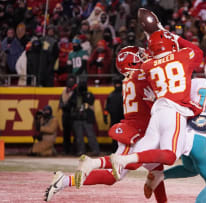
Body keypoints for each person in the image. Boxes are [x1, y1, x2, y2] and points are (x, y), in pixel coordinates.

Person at [44, 46, 166, 203]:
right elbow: (158, 107)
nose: (144, 57)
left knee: (157, 171)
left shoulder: (131, 78)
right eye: (140, 56)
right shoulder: (139, 77)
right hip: (135, 134)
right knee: (113, 176)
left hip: (141, 131)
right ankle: (65, 180)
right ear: (132, 62)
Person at [146, 53, 206, 203]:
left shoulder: (196, 83)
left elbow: (176, 98)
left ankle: (160, 176)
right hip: (202, 139)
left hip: (183, 133)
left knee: (191, 169)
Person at [109, 29, 203, 181]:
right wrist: (173, 36)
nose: (144, 55)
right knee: (170, 156)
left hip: (156, 113)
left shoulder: (147, 66)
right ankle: (120, 160)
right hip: (171, 111)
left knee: (140, 161)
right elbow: (197, 52)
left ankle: (95, 162)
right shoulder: (182, 55)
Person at [69, 81, 100, 156]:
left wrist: (83, 96)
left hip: (87, 118)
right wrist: (77, 95)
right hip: (77, 118)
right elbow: (71, 103)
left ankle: (95, 150)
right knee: (79, 136)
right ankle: (81, 151)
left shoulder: (89, 94)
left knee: (90, 135)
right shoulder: (75, 95)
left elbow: (90, 101)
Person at [104, 76, 125, 152]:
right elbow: (107, 107)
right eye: (116, 84)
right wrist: (105, 116)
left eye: (119, 84)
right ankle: (114, 150)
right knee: (114, 135)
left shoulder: (124, 94)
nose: (117, 85)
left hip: (123, 119)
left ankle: (122, 150)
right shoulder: (111, 95)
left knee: (123, 136)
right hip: (114, 119)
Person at [59, 75, 76, 155]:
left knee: (75, 133)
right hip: (65, 114)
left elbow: (74, 103)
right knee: (66, 133)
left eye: (72, 80)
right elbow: (61, 101)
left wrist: (66, 105)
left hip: (72, 114)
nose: (70, 82)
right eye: (69, 80)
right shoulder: (64, 90)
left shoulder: (75, 91)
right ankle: (66, 150)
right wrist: (63, 105)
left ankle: (74, 150)